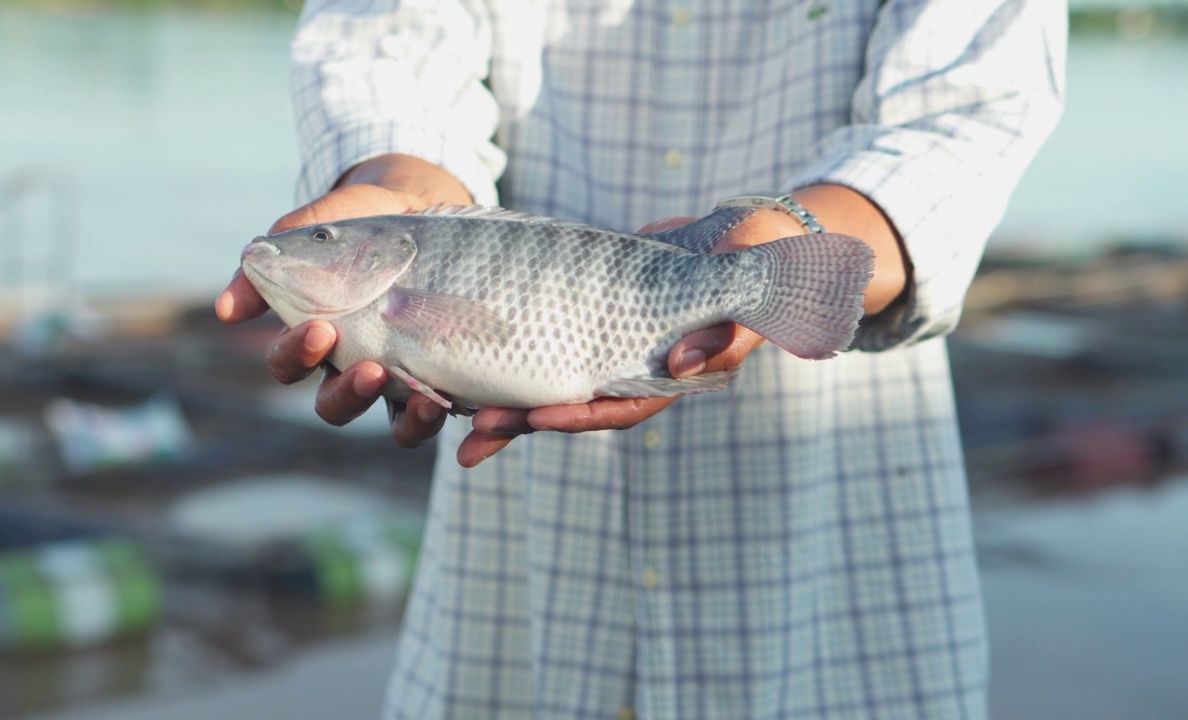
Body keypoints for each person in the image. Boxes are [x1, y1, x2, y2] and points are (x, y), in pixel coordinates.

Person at [216, 1, 1065, 717]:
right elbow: (384, 35)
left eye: (324, 241)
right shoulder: (389, 269)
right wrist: (398, 169)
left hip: (836, 562)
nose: (304, 246)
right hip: (511, 596)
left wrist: (797, 243)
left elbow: (967, 108)